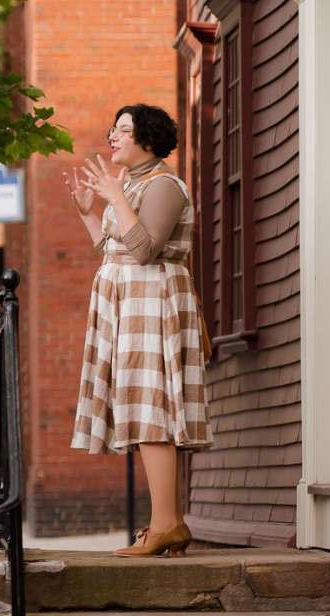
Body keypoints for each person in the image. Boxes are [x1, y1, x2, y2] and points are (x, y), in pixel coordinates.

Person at [65, 103, 213, 557]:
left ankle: (166, 523)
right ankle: (168, 524)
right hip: (129, 305)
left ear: (148, 140)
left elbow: (147, 250)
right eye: (114, 128)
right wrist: (90, 211)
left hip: (155, 303)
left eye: (124, 130)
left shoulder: (164, 185)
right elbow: (115, 251)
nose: (113, 136)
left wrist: (116, 200)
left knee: (154, 412)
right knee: (140, 407)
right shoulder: (129, 184)